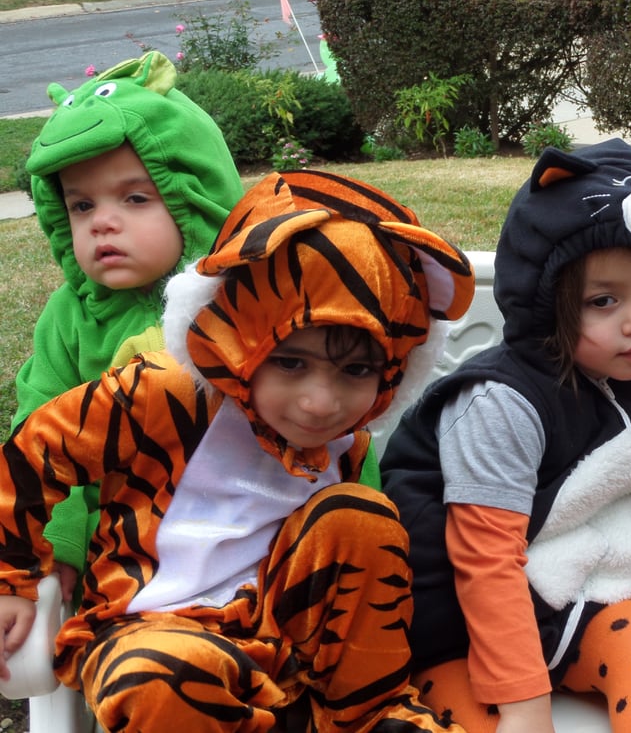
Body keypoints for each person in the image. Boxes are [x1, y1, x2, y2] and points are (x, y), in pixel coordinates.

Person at [0, 169, 476, 733]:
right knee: (156, 677)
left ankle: (369, 712)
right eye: (291, 362)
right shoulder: (163, 391)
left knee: (362, 519)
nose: (320, 403)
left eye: (357, 370)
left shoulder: (349, 438)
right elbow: (33, 455)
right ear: (240, 337)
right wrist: (13, 578)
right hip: (150, 630)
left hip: (284, 647)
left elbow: (352, 578)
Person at [381, 138, 631, 733]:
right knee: (448, 716)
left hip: (565, 598)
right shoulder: (501, 403)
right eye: (603, 300)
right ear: (545, 304)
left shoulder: (623, 363)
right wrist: (526, 706)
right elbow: (484, 558)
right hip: (452, 618)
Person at [14, 51, 245, 605]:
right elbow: (37, 437)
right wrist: (56, 547)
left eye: (136, 197)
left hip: (257, 541)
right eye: (81, 205)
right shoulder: (71, 318)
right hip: (125, 561)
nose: (102, 221)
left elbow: (331, 419)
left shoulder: (252, 301)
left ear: (197, 197)